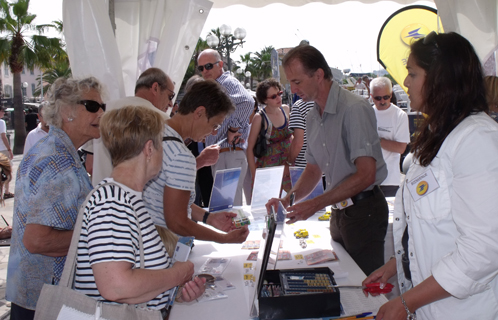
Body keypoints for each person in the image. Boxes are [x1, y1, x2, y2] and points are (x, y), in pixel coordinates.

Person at [362, 32, 498, 320]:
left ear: (441, 79)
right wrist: (395, 265)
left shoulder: (477, 140)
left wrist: (406, 302)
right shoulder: (439, 134)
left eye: (412, 74)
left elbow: (483, 251)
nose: (406, 83)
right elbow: (433, 228)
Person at [266, 45, 388, 276]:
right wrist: (288, 200)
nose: (292, 89)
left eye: (297, 82)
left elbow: (366, 174)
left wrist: (315, 203)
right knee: (346, 284)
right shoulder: (312, 115)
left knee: (366, 288)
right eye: (290, 82)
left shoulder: (353, 109)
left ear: (319, 75)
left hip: (364, 212)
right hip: (340, 212)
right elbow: (313, 169)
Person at [74, 106, 205, 316]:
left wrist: (175, 293)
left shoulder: (128, 199)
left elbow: (137, 279)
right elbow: (116, 287)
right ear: (149, 148)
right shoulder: (112, 202)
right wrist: (176, 275)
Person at [6, 77, 105, 320]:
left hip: (36, 295)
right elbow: (37, 241)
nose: (102, 112)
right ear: (67, 111)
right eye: (93, 106)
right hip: (45, 301)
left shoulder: (56, 151)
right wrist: (99, 236)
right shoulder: (56, 160)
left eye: (104, 106)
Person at [143, 80, 249, 251]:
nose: (214, 132)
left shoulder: (155, 133)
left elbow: (170, 199)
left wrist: (209, 218)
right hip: (161, 250)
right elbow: (177, 222)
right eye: (214, 125)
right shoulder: (181, 155)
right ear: (199, 113)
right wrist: (223, 239)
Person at [197, 49, 254, 206]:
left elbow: (247, 102)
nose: (204, 71)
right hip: (225, 154)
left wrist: (234, 129)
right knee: (227, 208)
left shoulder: (226, 83)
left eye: (208, 66)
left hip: (229, 153)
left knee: (230, 209)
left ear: (220, 64)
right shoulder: (218, 85)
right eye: (201, 68)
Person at [247, 78, 293, 194]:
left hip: (287, 168)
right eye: (273, 96)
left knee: (289, 204)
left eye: (279, 94)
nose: (279, 98)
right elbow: (250, 148)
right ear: (264, 100)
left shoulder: (286, 110)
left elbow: (291, 138)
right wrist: (255, 176)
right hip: (269, 171)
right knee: (269, 207)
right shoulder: (260, 117)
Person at [370, 77, 410, 197]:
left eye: (386, 97)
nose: (382, 101)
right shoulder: (366, 114)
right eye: (378, 98)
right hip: (366, 180)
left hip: (389, 181)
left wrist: (375, 139)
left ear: (391, 94)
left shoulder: (400, 115)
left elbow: (401, 148)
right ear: (371, 96)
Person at [288, 98, 314, 168]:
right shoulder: (336, 102)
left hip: (306, 168)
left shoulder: (300, 106)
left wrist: (289, 162)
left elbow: (298, 143)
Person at [0, 106, 13, 199]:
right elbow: (3, 137)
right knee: (7, 171)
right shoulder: (1, 122)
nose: (4, 113)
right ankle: (6, 191)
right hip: (3, 149)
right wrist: (9, 149)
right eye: (2, 111)